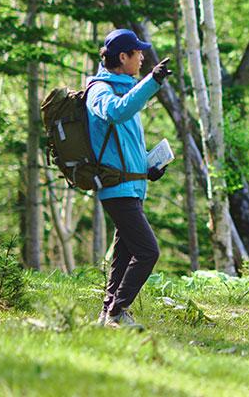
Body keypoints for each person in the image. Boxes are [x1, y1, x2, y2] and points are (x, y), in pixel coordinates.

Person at [87, 28, 172, 330]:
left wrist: (148, 167)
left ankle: (107, 313)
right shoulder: (100, 91)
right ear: (122, 57)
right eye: (138, 54)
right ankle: (118, 312)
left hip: (131, 185)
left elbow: (124, 144)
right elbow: (115, 113)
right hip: (115, 188)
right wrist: (153, 81)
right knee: (149, 251)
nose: (143, 58)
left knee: (124, 254)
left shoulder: (125, 88)